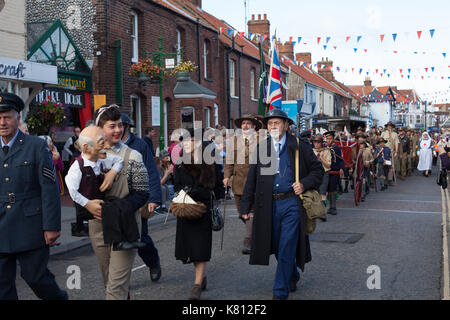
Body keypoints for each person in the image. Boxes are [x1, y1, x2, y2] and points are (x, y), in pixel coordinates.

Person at [240, 109, 323, 300]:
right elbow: (251, 179)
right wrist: (246, 207)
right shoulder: (262, 148)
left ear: (286, 125)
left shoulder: (300, 147)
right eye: (270, 124)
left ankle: (279, 292)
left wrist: (304, 184)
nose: (273, 126)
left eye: (277, 123)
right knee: (277, 246)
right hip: (268, 205)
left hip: (292, 204)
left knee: (286, 246)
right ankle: (291, 273)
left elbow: (318, 171)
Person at [0, 92, 67, 300]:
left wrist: (52, 226)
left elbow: (49, 188)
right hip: (1, 225)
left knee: (36, 277)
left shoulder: (36, 146)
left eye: (7, 117)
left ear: (18, 118)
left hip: (29, 224)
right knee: (2, 287)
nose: (2, 122)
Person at [90, 105, 150, 300]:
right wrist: (86, 205)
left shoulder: (133, 156)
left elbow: (142, 193)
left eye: (120, 125)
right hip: (98, 225)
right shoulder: (88, 156)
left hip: (125, 225)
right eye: (111, 126)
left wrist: (120, 208)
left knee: (115, 287)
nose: (118, 130)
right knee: (110, 282)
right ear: (99, 128)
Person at [65, 126, 144, 251]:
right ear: (86, 147)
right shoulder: (77, 166)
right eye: (102, 143)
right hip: (86, 207)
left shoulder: (100, 160)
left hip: (100, 199)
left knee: (123, 203)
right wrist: (88, 204)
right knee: (111, 209)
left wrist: (112, 172)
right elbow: (72, 190)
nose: (107, 146)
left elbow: (118, 160)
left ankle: (132, 238)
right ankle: (117, 242)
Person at [173, 129, 222, 300]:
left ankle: (196, 284)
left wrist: (196, 192)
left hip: (202, 210)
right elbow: (176, 185)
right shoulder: (179, 162)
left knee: (200, 248)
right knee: (192, 250)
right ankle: (201, 277)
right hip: (186, 210)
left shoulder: (209, 162)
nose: (186, 143)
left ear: (199, 143)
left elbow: (215, 187)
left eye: (190, 140)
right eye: (184, 140)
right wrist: (182, 193)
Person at [120, 113, 163, 282]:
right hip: (117, 200)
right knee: (118, 240)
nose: (116, 129)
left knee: (140, 237)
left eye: (120, 125)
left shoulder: (139, 145)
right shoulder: (108, 145)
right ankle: (120, 280)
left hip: (138, 199)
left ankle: (153, 262)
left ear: (126, 127)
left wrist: (154, 198)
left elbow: (151, 171)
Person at [224, 114, 260, 255]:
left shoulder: (261, 141)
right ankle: (256, 232)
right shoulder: (234, 141)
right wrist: (226, 177)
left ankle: (248, 240)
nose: (245, 126)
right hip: (238, 183)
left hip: (255, 183)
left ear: (254, 126)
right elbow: (229, 161)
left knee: (250, 212)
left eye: (248, 124)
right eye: (243, 123)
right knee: (242, 213)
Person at [325, 131, 345, 215]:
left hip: (334, 171)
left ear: (333, 139)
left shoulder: (336, 148)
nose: (328, 140)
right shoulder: (324, 148)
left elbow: (341, 159)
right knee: (327, 189)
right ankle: (328, 207)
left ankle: (333, 207)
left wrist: (341, 168)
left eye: (330, 139)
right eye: (327, 139)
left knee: (332, 189)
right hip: (326, 171)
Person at [311, 134, 331, 221]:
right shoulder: (311, 151)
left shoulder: (326, 151)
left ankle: (323, 213)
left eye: (318, 142)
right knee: (314, 193)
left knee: (322, 193)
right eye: (315, 142)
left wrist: (321, 159)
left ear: (321, 143)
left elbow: (328, 165)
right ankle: (315, 212)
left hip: (324, 173)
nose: (317, 144)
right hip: (314, 174)